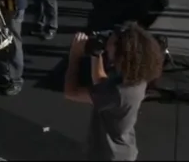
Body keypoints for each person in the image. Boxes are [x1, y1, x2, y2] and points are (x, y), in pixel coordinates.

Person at [64, 23, 164, 161]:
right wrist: (96, 53)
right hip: (123, 149)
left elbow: (71, 92)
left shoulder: (117, 92)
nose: (107, 46)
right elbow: (100, 80)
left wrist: (74, 56)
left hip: (107, 155)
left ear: (120, 52)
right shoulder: (137, 76)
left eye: (110, 44)